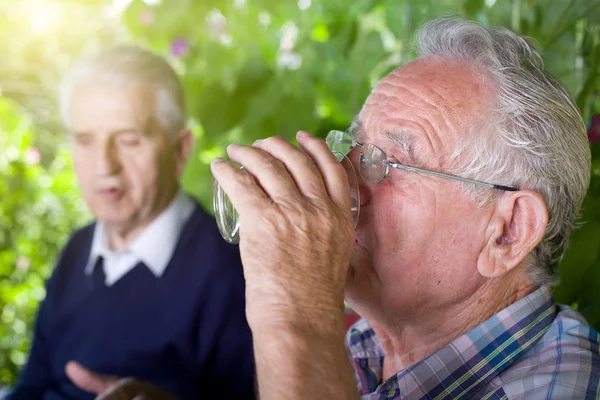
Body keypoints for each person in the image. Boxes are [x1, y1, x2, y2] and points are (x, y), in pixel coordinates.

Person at [68, 17, 600, 400]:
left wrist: (296, 311)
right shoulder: (373, 341)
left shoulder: (560, 388)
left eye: (386, 162)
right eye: (354, 147)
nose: (339, 178)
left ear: (507, 230)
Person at [8, 46, 255, 400]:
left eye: (128, 140)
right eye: (85, 140)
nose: (104, 166)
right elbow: (31, 388)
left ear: (181, 150)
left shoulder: (231, 273)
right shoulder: (78, 250)